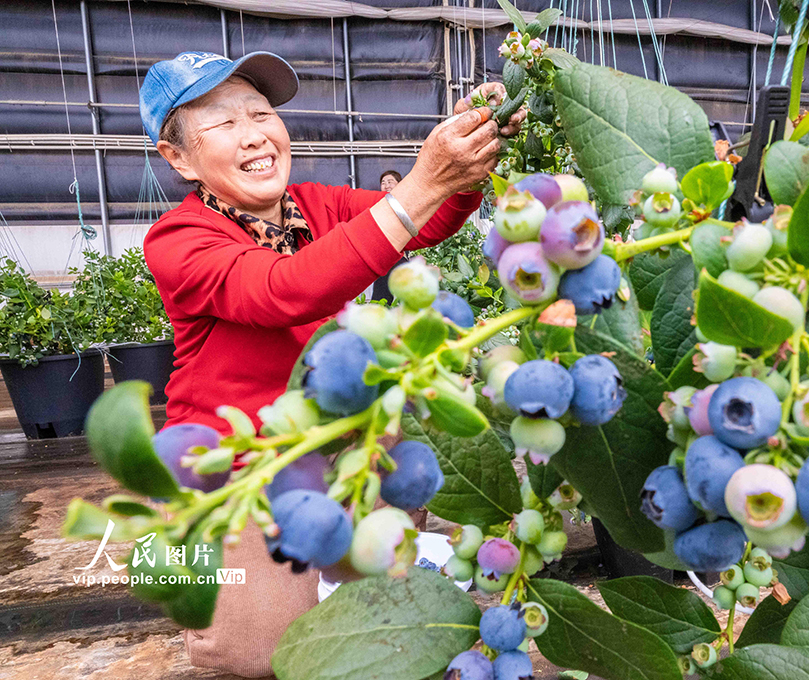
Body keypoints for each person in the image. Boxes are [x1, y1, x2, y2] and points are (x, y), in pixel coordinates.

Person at [139, 50, 525, 677]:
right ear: (178, 158)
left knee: (385, 576)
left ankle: (356, 549)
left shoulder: (311, 206)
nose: (255, 134)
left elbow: (421, 226)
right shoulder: (179, 240)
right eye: (222, 124)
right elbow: (288, 289)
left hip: (331, 441)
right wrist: (425, 181)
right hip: (242, 466)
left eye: (261, 113)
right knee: (257, 655)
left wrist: (466, 171)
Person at [371, 169, 406, 301]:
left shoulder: (407, 203)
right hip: (384, 253)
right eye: (383, 182)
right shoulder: (377, 205)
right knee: (383, 287)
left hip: (401, 253)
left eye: (390, 181)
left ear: (400, 184)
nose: (386, 185)